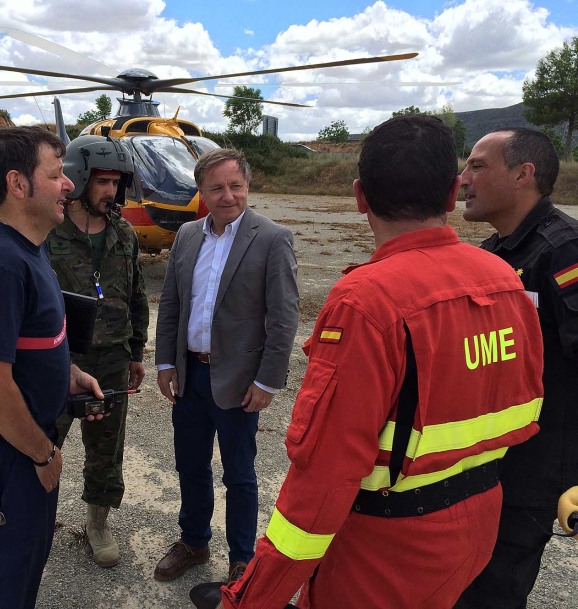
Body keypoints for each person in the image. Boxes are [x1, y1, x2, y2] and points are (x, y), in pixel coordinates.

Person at [207, 115, 545, 609]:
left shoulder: (367, 300)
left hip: (384, 552)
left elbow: (322, 484)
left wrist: (247, 600)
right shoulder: (502, 277)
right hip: (477, 528)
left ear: (360, 196)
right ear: (452, 193)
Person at [0, 126, 103, 609]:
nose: (69, 186)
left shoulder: (30, 252)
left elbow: (26, 345)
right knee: (0, 588)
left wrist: (68, 374)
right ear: (18, 184)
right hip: (4, 458)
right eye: (56, 175)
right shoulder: (1, 265)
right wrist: (43, 454)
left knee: (22, 579)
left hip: (18, 452)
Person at [154, 147, 300, 584]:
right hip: (191, 376)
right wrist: (166, 362)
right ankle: (195, 542)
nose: (228, 195)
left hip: (240, 382)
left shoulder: (273, 238)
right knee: (190, 465)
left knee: (239, 474)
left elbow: (284, 316)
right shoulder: (186, 236)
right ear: (201, 191)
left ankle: (241, 557)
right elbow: (172, 304)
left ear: (248, 187)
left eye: (236, 185)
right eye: (216, 187)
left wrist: (268, 380)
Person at [456, 128, 578, 608]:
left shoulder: (563, 251)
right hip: (487, 456)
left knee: (494, 591)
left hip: (534, 467)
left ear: (524, 174)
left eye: (478, 166)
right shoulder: (492, 253)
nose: (463, 178)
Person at [46, 135, 149, 568]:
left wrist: (136, 352)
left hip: (110, 361)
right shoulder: (49, 235)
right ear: (80, 179)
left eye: (116, 182)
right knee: (43, 442)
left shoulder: (124, 233)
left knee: (106, 449)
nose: (110, 191)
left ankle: (98, 522)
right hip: (57, 361)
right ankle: (32, 518)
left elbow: (138, 295)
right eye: (103, 181)